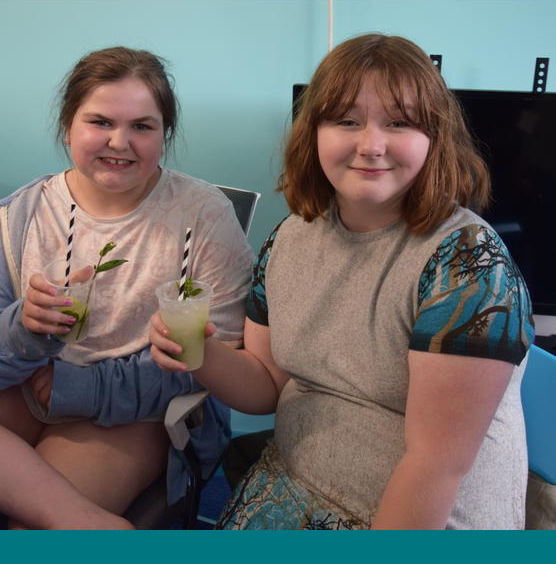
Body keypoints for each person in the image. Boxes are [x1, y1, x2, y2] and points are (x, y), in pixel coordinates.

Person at [150, 34, 535, 530]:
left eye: (398, 122)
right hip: (294, 482)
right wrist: (199, 355)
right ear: (314, 133)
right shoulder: (290, 237)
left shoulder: (468, 264)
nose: (370, 145)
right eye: (346, 121)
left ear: (433, 138)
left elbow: (436, 466)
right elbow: (266, 385)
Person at [0, 47, 253, 530]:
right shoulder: (25, 212)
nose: (120, 142)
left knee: (31, 526)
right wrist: (23, 329)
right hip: (30, 388)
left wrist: (81, 388)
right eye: (100, 122)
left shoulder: (204, 215)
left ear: (165, 133)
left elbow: (210, 367)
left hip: (135, 417)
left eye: (142, 126)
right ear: (68, 125)